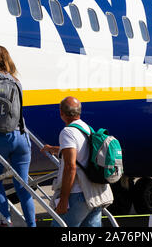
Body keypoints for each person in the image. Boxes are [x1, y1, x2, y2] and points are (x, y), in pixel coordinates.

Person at [0, 45, 35, 227]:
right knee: (22, 186)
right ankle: (31, 225)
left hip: (0, 137)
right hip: (21, 136)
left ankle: (6, 220)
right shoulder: (16, 80)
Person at [41, 96, 113, 227]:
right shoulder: (88, 129)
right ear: (79, 112)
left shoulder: (67, 132)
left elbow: (70, 167)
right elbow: (81, 151)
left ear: (61, 113)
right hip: (94, 194)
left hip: (77, 194)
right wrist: (54, 149)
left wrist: (63, 200)